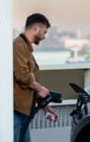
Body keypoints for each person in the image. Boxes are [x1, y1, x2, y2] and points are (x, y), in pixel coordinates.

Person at [13, 13, 59, 142]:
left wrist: (44, 106)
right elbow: (23, 76)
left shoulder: (26, 48)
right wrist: (41, 89)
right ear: (36, 29)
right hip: (16, 111)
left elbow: (31, 81)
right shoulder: (19, 45)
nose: (44, 36)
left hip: (24, 111)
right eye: (44, 32)